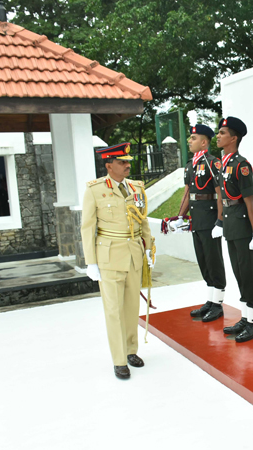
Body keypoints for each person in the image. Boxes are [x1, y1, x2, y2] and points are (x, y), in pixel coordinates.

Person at [81, 142, 154, 380]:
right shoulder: (95, 190)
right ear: (109, 165)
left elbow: (143, 221)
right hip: (109, 256)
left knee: (132, 307)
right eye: (122, 162)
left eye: (128, 161)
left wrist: (149, 249)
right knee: (114, 310)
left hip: (133, 254)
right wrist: (91, 262)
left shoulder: (136, 188)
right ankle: (119, 359)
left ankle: (131, 350)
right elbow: (87, 227)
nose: (127, 165)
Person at [215, 116, 253, 342]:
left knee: (248, 273)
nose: (218, 135)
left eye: (223, 133)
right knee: (238, 271)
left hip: (243, 223)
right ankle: (246, 316)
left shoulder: (241, 165)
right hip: (231, 222)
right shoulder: (224, 162)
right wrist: (221, 221)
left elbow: (250, 202)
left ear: (234, 138)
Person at [172, 122, 226, 322]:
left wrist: (220, 221)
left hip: (210, 218)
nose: (190, 141)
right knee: (203, 261)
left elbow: (220, 194)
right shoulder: (190, 165)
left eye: (193, 138)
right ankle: (211, 300)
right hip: (197, 219)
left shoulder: (214, 163)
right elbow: (188, 194)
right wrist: (180, 217)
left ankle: (218, 303)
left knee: (214, 261)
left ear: (204, 142)